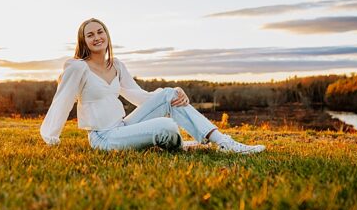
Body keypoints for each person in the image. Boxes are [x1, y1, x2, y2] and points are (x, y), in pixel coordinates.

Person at [40, 18, 265, 154]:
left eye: (100, 32)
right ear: (83, 41)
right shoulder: (77, 68)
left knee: (169, 93)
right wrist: (51, 138)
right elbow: (62, 101)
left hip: (123, 125)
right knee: (165, 127)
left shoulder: (116, 65)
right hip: (103, 138)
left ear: (107, 35)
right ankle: (180, 144)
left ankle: (224, 142)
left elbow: (138, 96)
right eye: (90, 35)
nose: (97, 37)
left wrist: (172, 95)